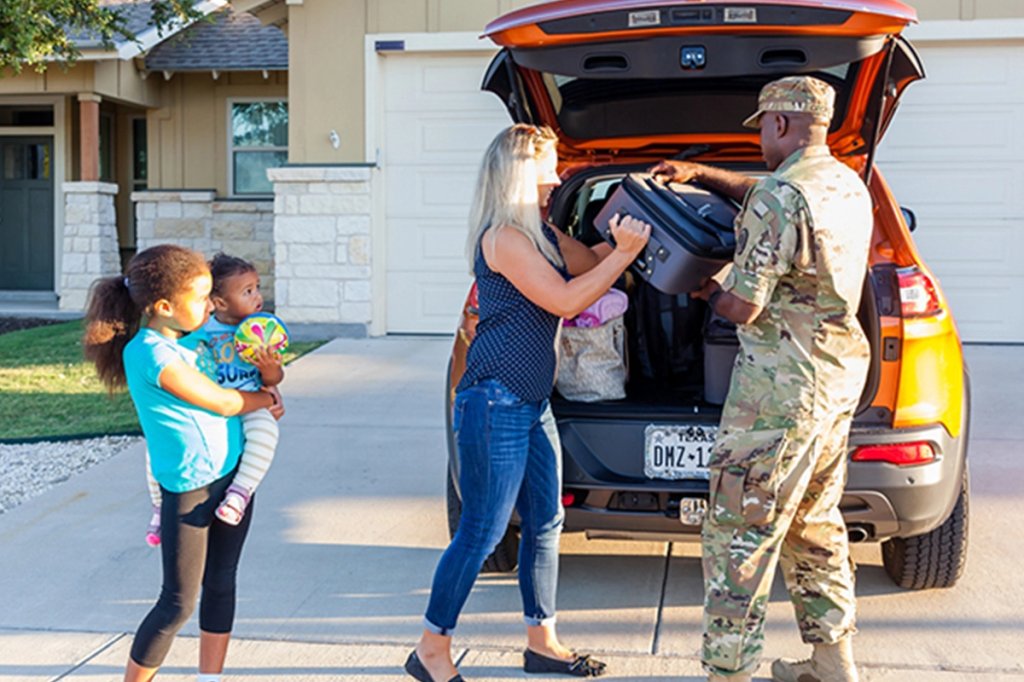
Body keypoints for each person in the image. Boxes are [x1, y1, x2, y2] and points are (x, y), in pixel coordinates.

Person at [406, 124, 651, 682]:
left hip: (531, 401)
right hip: (494, 401)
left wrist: (621, 235)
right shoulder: (504, 240)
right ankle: (431, 647)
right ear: (520, 171)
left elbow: (587, 265)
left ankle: (543, 642)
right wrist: (626, 254)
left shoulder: (540, 233)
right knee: (483, 532)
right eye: (549, 166)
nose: (558, 177)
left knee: (545, 520)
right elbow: (566, 299)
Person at [651, 76, 872, 682]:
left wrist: (699, 286)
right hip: (834, 382)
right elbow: (767, 194)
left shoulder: (780, 198)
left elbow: (743, 307)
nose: (760, 145)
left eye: (762, 132)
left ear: (777, 125)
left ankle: (729, 673)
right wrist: (700, 176)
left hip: (778, 394)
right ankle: (832, 662)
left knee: (737, 536)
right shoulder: (847, 185)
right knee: (815, 523)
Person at [83, 244, 284, 682]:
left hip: (229, 475)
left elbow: (239, 369)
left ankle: (209, 677)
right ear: (163, 306)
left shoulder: (189, 338)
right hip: (190, 488)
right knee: (176, 603)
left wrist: (267, 376)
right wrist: (264, 399)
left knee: (221, 581)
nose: (210, 304)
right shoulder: (151, 354)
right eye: (201, 297)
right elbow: (223, 401)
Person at [143, 253, 283, 546]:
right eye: (247, 292)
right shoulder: (199, 331)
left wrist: (270, 373)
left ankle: (239, 493)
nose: (257, 296)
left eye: (257, 287)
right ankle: (159, 507)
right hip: (207, 406)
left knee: (266, 431)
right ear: (219, 303)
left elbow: (272, 382)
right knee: (155, 443)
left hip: (248, 402)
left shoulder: (264, 330)